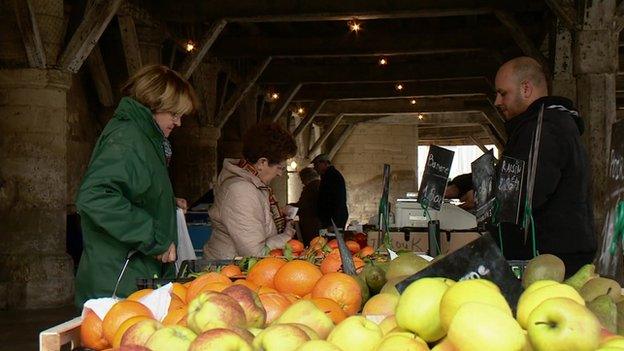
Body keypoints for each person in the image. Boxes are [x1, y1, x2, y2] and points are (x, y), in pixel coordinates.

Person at [74, 65, 198, 307]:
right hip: (119, 278)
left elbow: (130, 189)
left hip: (132, 272)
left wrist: (162, 201)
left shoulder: (144, 138)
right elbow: (96, 196)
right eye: (174, 114)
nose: (179, 122)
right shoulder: (129, 138)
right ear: (154, 104)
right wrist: (153, 238)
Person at [493, 56, 596, 275]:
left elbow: (527, 195)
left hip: (550, 262)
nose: (497, 102)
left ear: (526, 88)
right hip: (554, 257)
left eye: (503, 93)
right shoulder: (547, 124)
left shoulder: (543, 130)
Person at [204, 122, 297, 258]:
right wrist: (286, 236)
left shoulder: (254, 186)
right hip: (230, 272)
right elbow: (255, 253)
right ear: (262, 163)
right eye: (280, 167)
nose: (280, 174)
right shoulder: (240, 191)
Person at [312, 154, 349, 230]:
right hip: (331, 218)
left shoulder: (332, 176)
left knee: (332, 240)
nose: (315, 168)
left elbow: (337, 200)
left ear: (325, 163)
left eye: (316, 165)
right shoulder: (327, 175)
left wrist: (333, 222)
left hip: (333, 219)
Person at [292, 167, 322, 245]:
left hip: (311, 223)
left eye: (302, 180)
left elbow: (303, 206)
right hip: (320, 221)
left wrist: (289, 207)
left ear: (306, 178)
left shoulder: (310, 188)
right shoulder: (321, 184)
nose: (302, 183)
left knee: (312, 244)